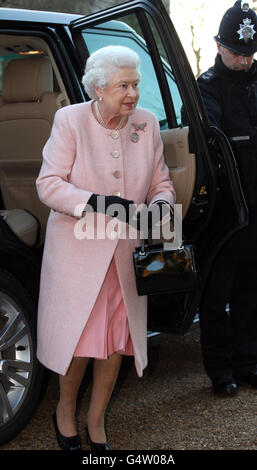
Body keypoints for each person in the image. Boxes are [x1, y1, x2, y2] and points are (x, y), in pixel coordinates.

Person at [36, 45, 175, 450]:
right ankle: (64, 411)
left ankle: (96, 422)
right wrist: (97, 202)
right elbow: (48, 184)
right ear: (98, 88)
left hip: (124, 257)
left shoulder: (146, 124)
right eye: (123, 86)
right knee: (79, 344)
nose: (132, 94)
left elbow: (160, 183)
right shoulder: (70, 120)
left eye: (136, 84)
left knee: (117, 342)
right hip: (78, 256)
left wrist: (162, 207)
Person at [197, 0, 257, 395]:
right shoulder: (206, 87)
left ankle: (248, 363)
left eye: (250, 54)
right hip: (224, 211)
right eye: (237, 53)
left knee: (251, 290)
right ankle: (220, 372)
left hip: (256, 207)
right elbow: (213, 143)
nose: (243, 61)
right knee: (216, 293)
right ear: (220, 46)